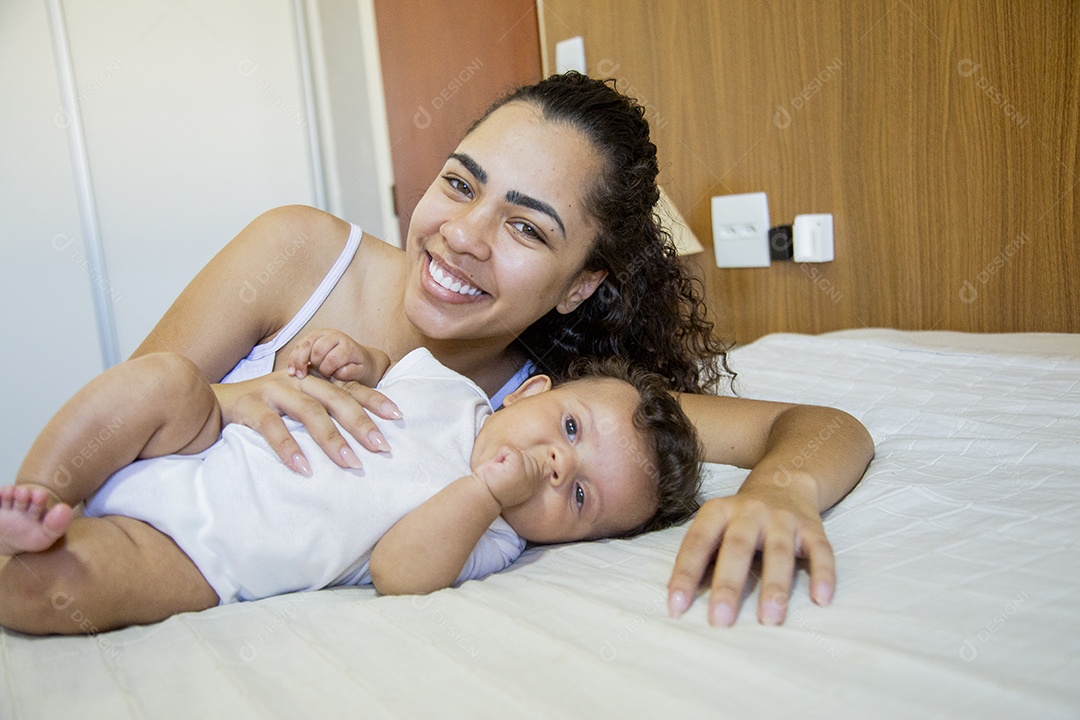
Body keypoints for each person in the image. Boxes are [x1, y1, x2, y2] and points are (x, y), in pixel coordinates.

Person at [22, 72, 874, 627]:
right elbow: (128, 401)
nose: (461, 235)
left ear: (579, 284)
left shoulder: (559, 414)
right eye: (461, 184)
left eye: (526, 226)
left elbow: (820, 425)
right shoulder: (297, 255)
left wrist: (782, 493)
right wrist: (238, 401)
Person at [0, 329, 702, 635]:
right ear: (529, 393)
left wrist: (486, 492)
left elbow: (399, 571)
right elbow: (384, 367)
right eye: (570, 430)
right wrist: (352, 356)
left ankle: (24, 552)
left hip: (206, 558)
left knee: (53, 591)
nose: (557, 465)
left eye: (580, 497)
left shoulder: (490, 536)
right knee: (165, 378)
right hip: (199, 441)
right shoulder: (449, 387)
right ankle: (39, 492)